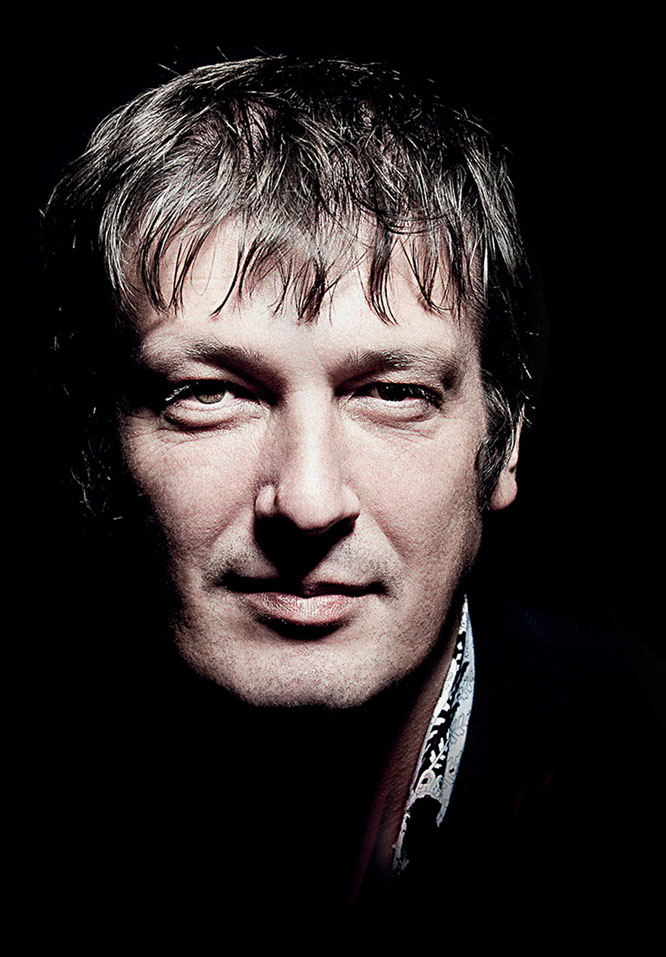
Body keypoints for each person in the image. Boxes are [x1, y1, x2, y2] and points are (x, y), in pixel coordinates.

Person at [36, 57, 662, 938]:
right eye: (209, 392)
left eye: (393, 393)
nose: (308, 501)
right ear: (100, 446)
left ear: (505, 441)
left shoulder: (651, 764)